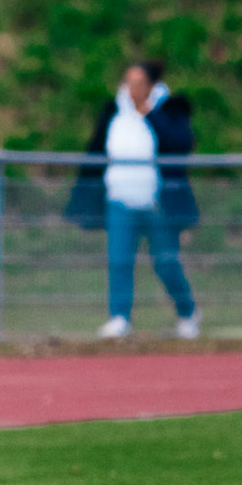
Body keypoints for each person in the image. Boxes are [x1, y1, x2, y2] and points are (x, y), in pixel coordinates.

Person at [66, 61, 200, 340]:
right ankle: (119, 317)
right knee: (119, 260)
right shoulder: (113, 110)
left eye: (139, 83)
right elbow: (95, 151)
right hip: (120, 200)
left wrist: (149, 114)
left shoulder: (169, 109)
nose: (132, 89)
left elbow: (181, 144)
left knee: (165, 262)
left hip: (158, 202)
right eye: (129, 82)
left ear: (151, 86)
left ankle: (187, 312)